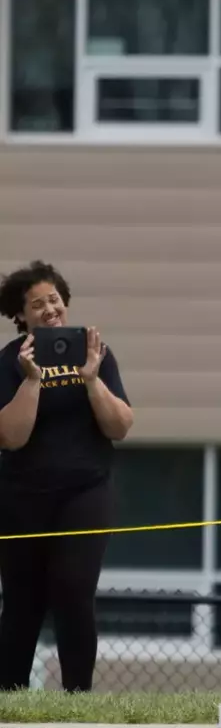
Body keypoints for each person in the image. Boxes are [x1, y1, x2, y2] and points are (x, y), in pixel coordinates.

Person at [0, 260, 133, 692]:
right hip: (22, 497)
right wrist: (31, 381)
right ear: (21, 315)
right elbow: (11, 437)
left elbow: (120, 427)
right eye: (37, 304)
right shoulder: (8, 363)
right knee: (22, 603)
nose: (49, 310)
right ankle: (10, 697)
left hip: (85, 491)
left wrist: (92, 380)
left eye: (54, 299)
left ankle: (79, 697)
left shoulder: (96, 352)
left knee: (74, 591)